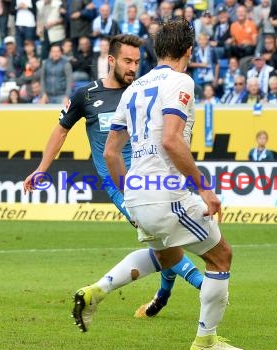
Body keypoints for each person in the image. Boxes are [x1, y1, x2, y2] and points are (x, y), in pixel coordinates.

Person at [74, 19, 246, 350]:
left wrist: (133, 193)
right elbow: (170, 140)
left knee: (169, 255)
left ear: (156, 50)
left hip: (137, 193)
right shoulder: (181, 81)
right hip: (166, 192)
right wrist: (206, 190)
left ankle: (97, 291)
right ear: (189, 51)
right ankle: (206, 341)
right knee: (221, 255)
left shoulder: (134, 88)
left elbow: (111, 152)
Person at [23, 33, 205, 321]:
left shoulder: (142, 90)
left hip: (157, 175)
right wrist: (42, 168)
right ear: (111, 60)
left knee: (163, 236)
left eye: (137, 61)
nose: (133, 67)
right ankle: (204, 286)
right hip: (121, 185)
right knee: (163, 235)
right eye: (127, 61)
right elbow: (61, 130)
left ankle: (163, 295)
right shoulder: (86, 95)